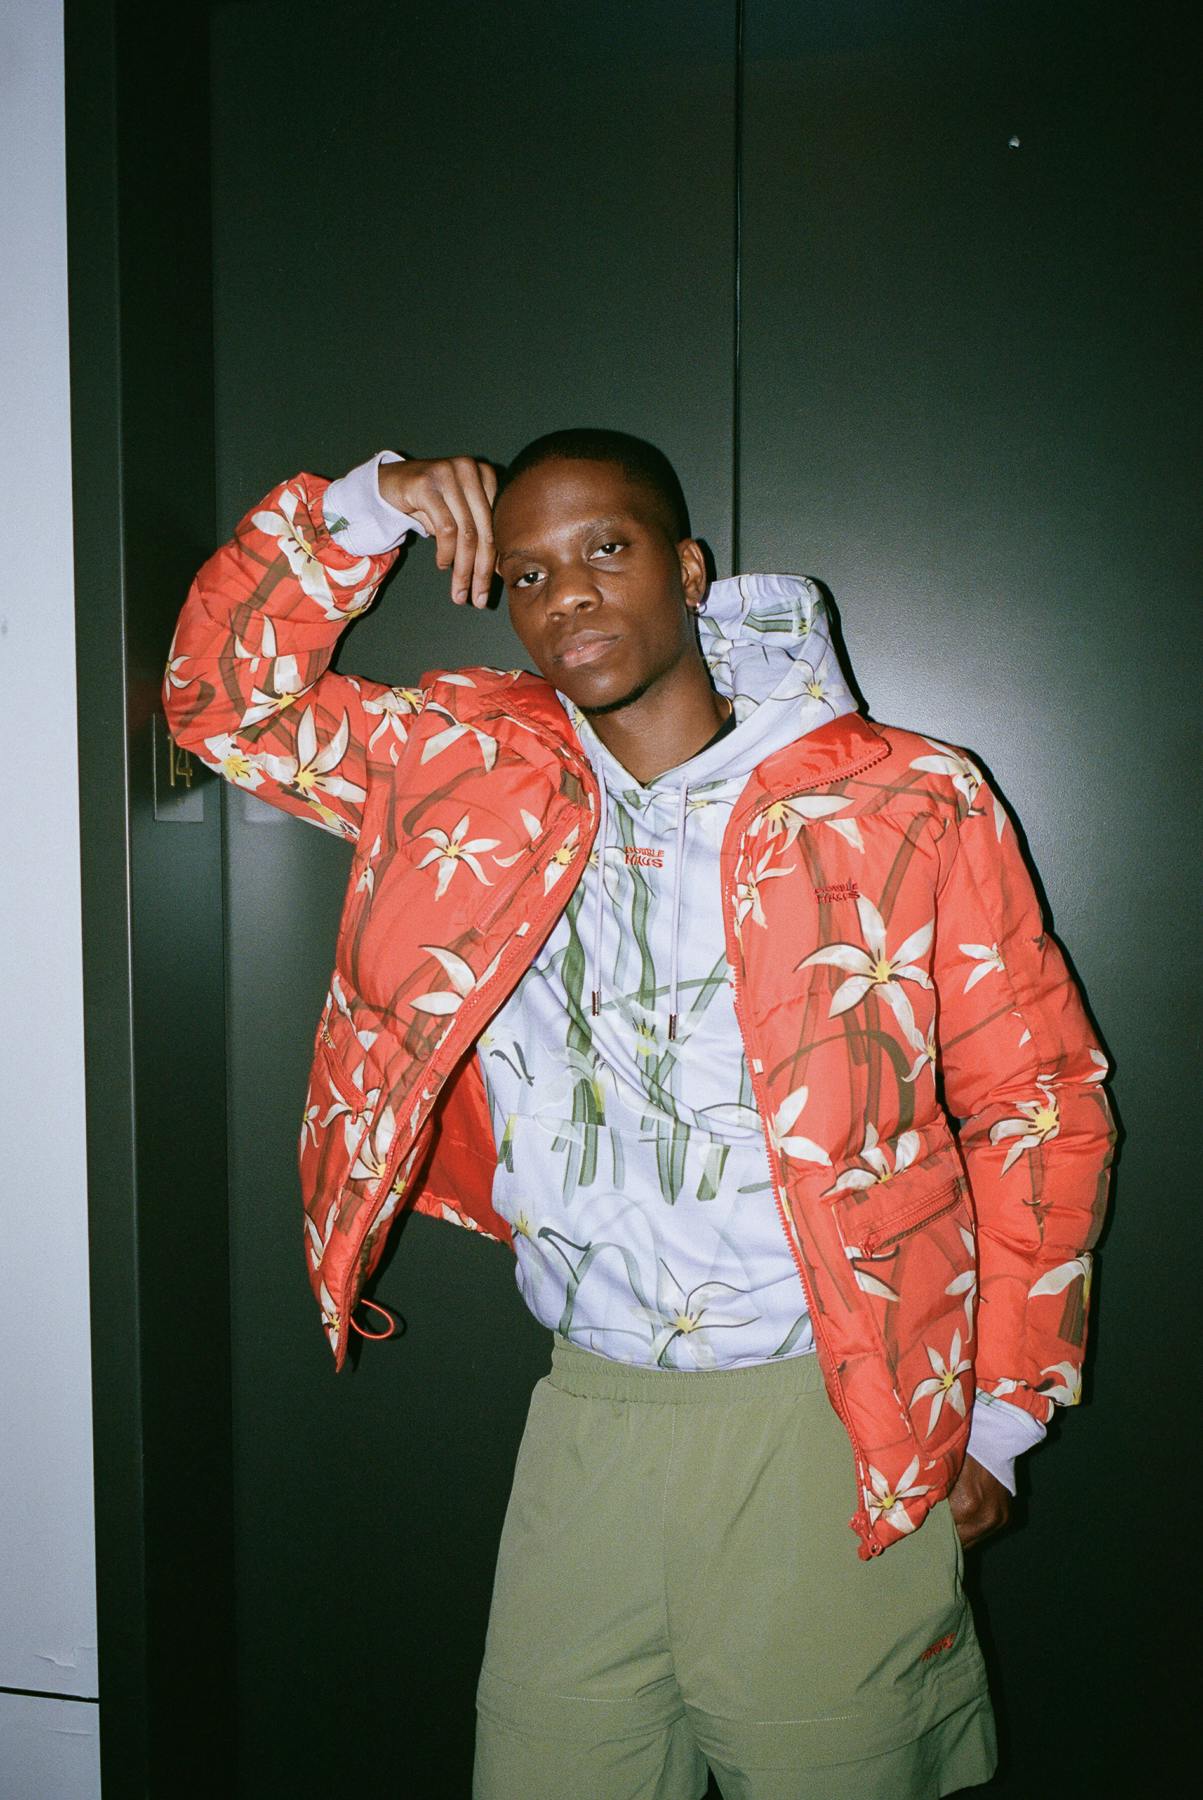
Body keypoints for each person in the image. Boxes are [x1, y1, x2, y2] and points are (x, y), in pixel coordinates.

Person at [164, 432, 1114, 1800]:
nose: (568, 595)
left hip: (832, 1418)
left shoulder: (904, 797)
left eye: (606, 550)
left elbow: (1037, 1103)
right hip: (588, 1414)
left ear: (689, 569)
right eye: (529, 572)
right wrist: (369, 508)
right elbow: (222, 705)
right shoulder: (465, 773)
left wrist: (999, 1417)